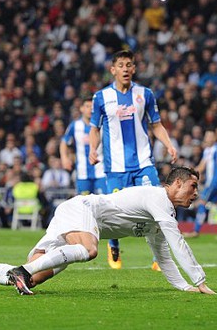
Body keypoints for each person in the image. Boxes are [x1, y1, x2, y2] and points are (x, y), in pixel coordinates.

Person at [0, 166, 216, 296]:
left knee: (30, 277)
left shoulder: (160, 213)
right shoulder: (157, 198)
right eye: (193, 186)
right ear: (176, 184)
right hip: (82, 210)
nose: (195, 193)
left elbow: (164, 252)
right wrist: (201, 279)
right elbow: (178, 241)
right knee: (90, 251)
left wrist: (185, 286)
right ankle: (22, 271)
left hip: (73, 220)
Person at [88, 49, 178, 270]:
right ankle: (114, 246)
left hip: (143, 164)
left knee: (158, 205)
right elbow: (94, 128)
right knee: (114, 212)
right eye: (121, 65)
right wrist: (92, 149)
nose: (125, 69)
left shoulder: (145, 94)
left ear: (134, 69)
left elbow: (155, 124)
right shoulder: (101, 97)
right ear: (113, 70)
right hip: (115, 167)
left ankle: (159, 256)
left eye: (129, 64)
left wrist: (168, 144)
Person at [184, 130, 217, 240]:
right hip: (212, 182)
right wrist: (190, 173)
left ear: (214, 138)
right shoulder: (207, 150)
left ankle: (196, 230)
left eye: (210, 136)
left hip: (215, 182)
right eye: (206, 136)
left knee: (201, 202)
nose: (208, 138)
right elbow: (202, 166)